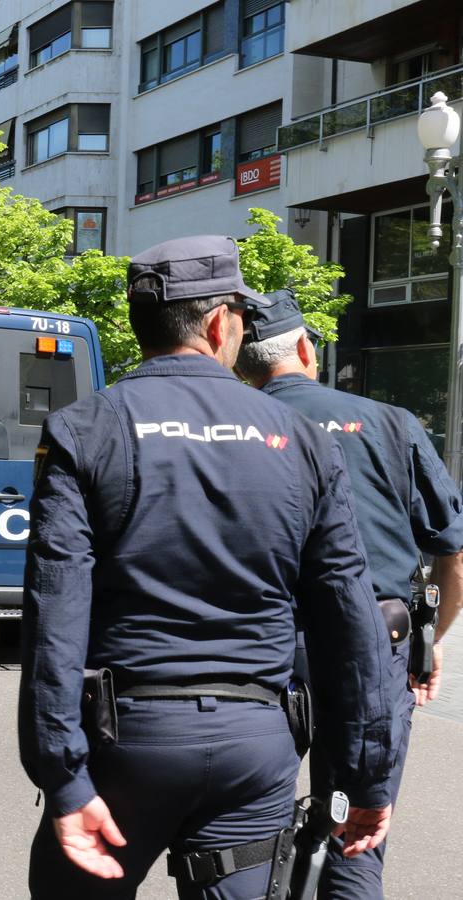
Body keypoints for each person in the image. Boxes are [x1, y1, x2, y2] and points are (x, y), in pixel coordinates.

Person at [19, 235, 395, 900]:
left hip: (126, 744)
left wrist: (64, 778)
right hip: (256, 748)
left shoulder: (84, 428)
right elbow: (350, 617)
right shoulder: (305, 442)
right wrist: (367, 777)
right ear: (220, 321)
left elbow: (54, 614)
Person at [235, 289, 463, 899]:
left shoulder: (228, 425)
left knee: (249, 833)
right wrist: (429, 641)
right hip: (373, 647)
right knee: (355, 828)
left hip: (257, 652)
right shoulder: (390, 424)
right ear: (307, 348)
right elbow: (452, 547)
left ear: (238, 360)